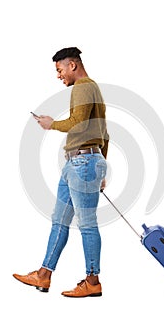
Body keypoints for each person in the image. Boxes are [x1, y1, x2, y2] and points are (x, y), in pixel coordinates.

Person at [13, 47, 109, 297]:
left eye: (59, 69)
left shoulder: (83, 87)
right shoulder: (92, 88)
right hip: (80, 164)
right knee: (59, 221)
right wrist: (101, 168)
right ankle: (44, 275)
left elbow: (76, 121)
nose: (58, 75)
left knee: (87, 225)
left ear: (73, 65)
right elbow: (104, 133)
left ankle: (92, 281)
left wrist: (51, 124)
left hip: (82, 163)